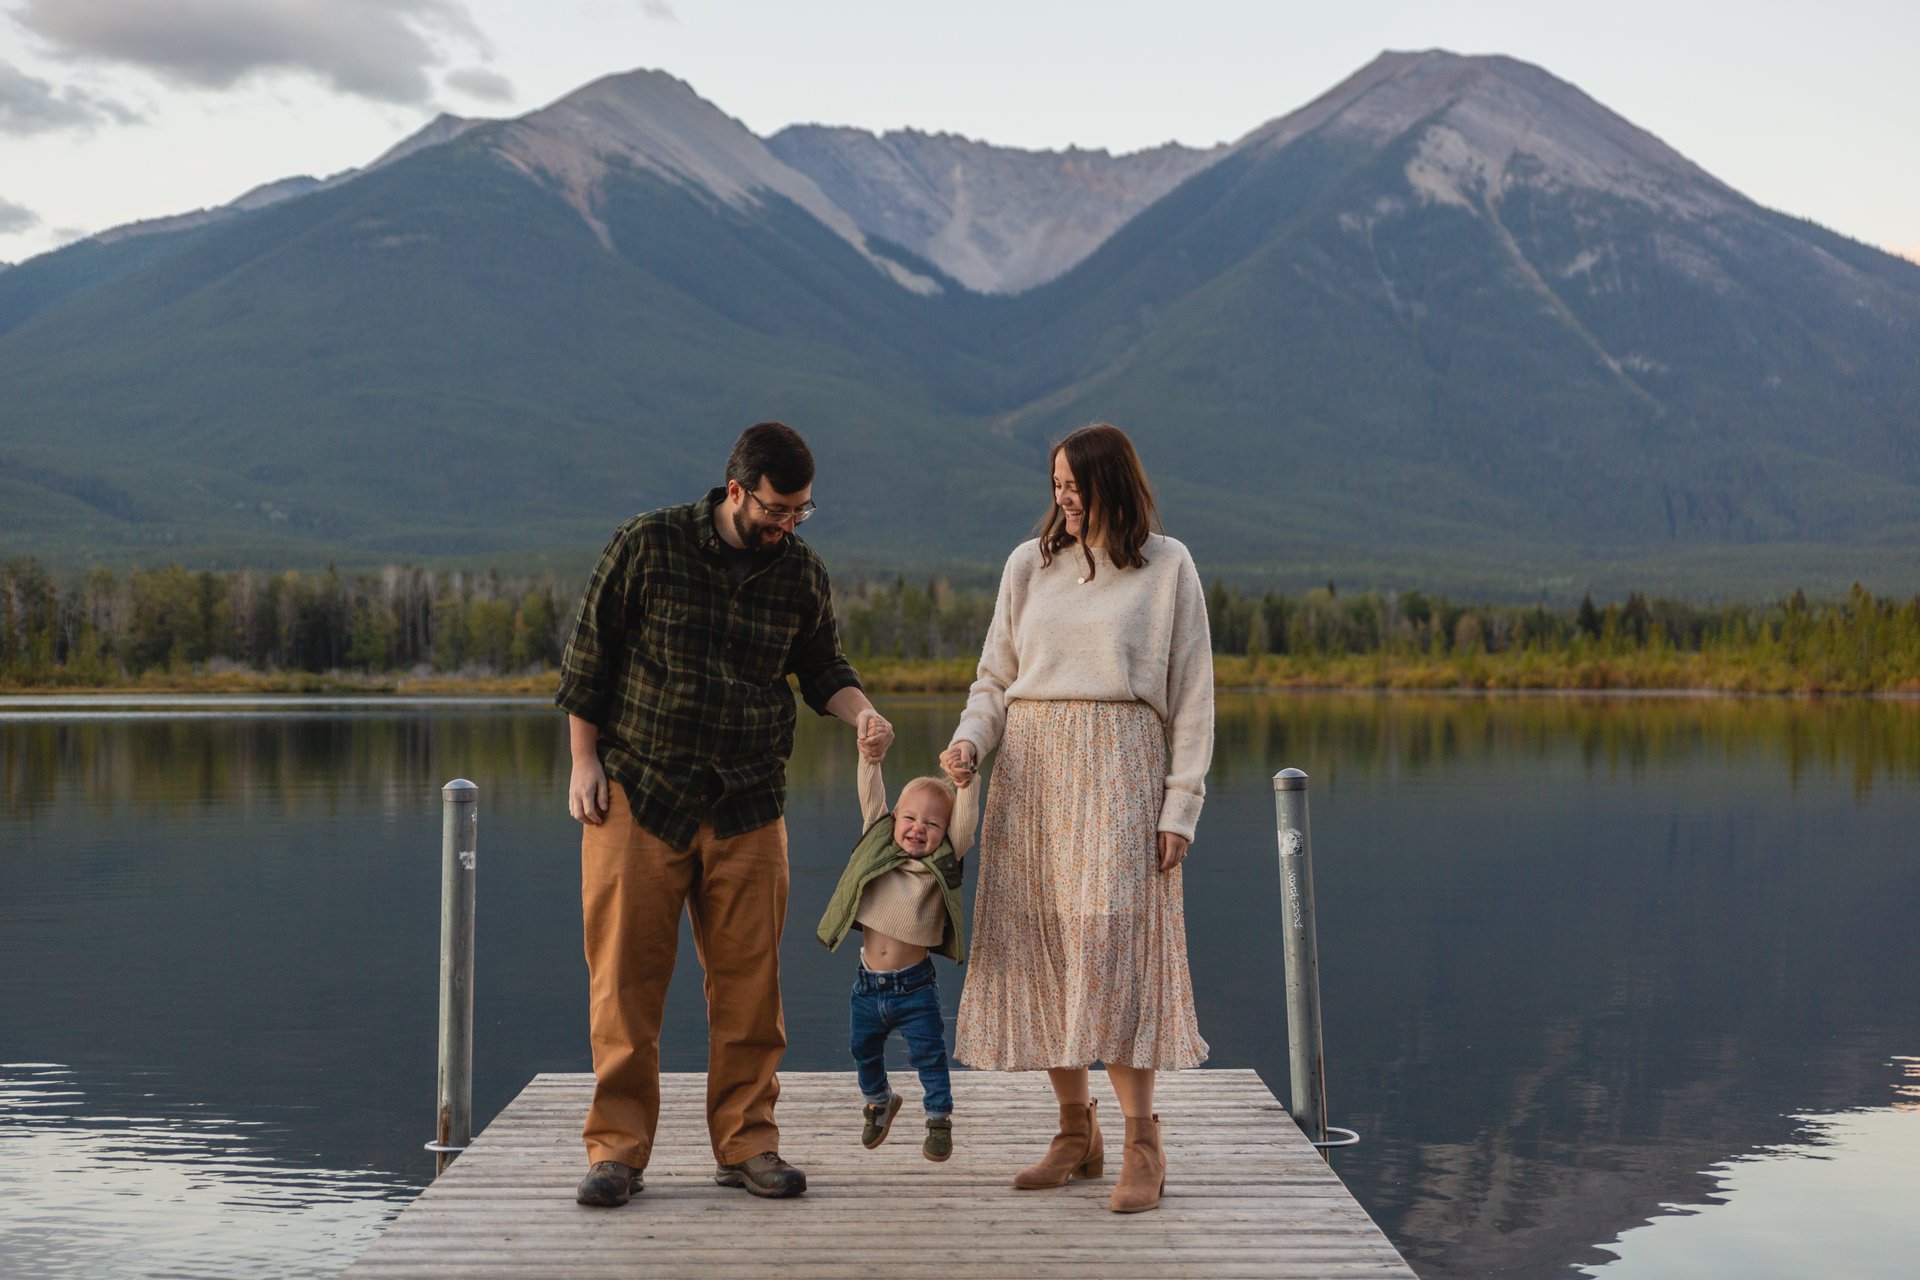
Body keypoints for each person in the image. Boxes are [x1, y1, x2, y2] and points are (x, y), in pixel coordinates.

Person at [556, 421, 894, 1208]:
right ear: (736, 490)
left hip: (749, 802)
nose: (788, 524)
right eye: (778, 509)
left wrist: (862, 712)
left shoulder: (801, 575)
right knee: (624, 987)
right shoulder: (646, 545)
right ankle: (617, 1152)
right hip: (639, 795)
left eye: (801, 512)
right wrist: (582, 763)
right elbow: (589, 659)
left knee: (750, 987)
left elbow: (822, 670)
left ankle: (747, 1144)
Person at [939, 422, 1213, 1215]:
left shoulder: (1169, 567)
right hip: (1031, 768)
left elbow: (1193, 695)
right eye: (1055, 481)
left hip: (1122, 767)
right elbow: (995, 677)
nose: (1061, 496)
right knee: (1041, 943)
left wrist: (1181, 806)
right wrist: (969, 742)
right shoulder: (1029, 565)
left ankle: (1142, 1142)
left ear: (1111, 487)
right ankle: (1073, 1132)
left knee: (1110, 943)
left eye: (1074, 483)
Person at [815, 740, 979, 1161]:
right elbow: (871, 798)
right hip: (867, 986)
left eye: (931, 824)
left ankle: (939, 1119)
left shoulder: (943, 860)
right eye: (909, 817)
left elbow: (965, 823)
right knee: (862, 1049)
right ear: (893, 820)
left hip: (916, 988)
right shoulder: (878, 841)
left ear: (944, 833)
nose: (918, 828)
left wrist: (967, 783)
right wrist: (870, 758)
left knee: (929, 1054)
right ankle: (878, 1102)